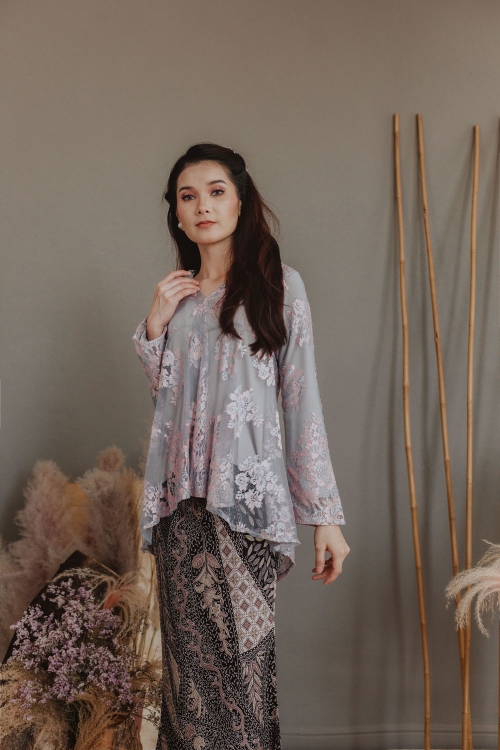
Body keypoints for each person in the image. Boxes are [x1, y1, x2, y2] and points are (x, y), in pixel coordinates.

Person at [132, 143, 349, 750]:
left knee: (242, 679)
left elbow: (301, 401)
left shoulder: (279, 287)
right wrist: (154, 327)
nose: (203, 205)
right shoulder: (176, 300)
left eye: (216, 191)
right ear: (177, 215)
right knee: (187, 689)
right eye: (188, 196)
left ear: (240, 201)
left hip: (245, 510)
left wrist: (324, 516)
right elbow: (169, 406)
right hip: (180, 514)